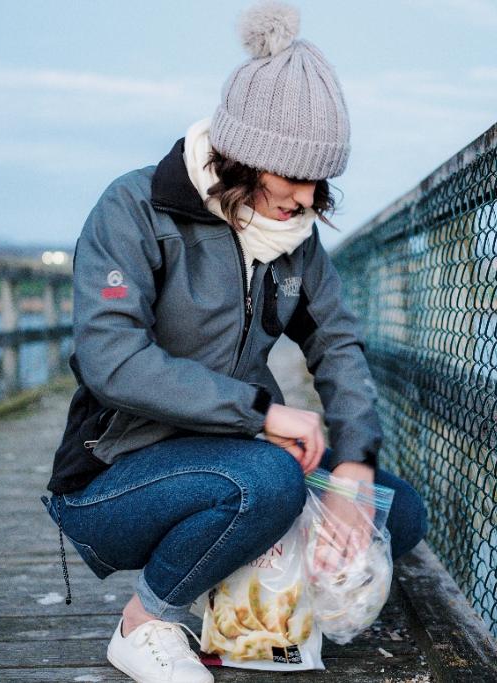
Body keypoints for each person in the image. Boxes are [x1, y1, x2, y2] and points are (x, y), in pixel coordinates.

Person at [41, 2, 428, 682]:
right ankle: (145, 620)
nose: (305, 197)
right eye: (291, 175)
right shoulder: (134, 210)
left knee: (396, 511)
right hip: (115, 477)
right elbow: (111, 359)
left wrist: (356, 466)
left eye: (319, 179)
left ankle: (249, 576)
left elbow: (338, 346)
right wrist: (262, 412)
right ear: (243, 155)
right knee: (270, 479)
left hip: (236, 455)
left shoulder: (294, 242)